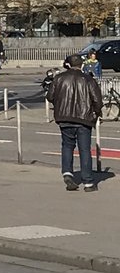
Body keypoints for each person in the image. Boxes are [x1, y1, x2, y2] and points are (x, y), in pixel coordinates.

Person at [48, 54, 102, 192]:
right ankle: (88, 182)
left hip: (64, 117)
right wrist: (96, 113)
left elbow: (50, 96)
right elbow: (97, 100)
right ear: (81, 65)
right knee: (84, 149)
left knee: (67, 146)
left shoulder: (59, 78)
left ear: (68, 64)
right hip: (84, 118)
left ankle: (67, 173)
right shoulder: (88, 79)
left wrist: (59, 104)